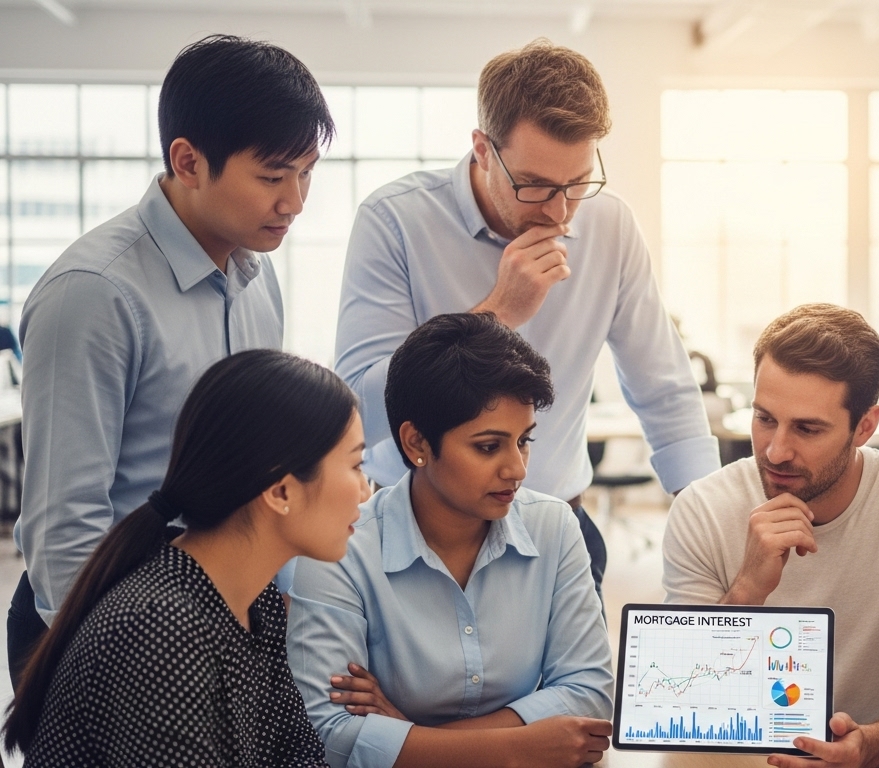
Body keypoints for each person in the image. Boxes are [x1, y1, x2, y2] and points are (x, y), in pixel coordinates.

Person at [335, 39, 719, 593]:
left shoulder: (611, 225)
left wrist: (711, 523)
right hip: (415, 539)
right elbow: (356, 412)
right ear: (482, 150)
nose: (559, 212)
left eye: (577, 184)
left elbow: (665, 389)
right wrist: (496, 314)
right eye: (534, 184)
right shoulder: (394, 221)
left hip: (560, 533)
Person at [8, 34, 333, 685]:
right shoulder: (93, 294)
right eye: (273, 176)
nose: (295, 201)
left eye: (306, 173)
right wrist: (135, 664)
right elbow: (64, 527)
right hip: (111, 633)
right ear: (188, 161)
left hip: (214, 615)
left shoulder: (255, 275)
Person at [663, 304, 879, 768]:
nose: (776, 451)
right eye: (764, 419)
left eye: (807, 428)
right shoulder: (702, 509)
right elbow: (675, 704)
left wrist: (870, 746)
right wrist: (746, 592)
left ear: (865, 426)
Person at [3, 349, 370, 766]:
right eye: (356, 466)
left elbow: (299, 756)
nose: (365, 491)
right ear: (281, 490)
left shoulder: (256, 601)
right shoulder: (159, 630)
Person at [289, 313, 613, 768]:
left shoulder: (554, 525)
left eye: (524, 440)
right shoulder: (340, 551)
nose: (517, 469)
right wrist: (520, 747)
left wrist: (410, 738)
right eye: (488, 446)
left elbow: (590, 694)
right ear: (416, 443)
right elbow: (328, 736)